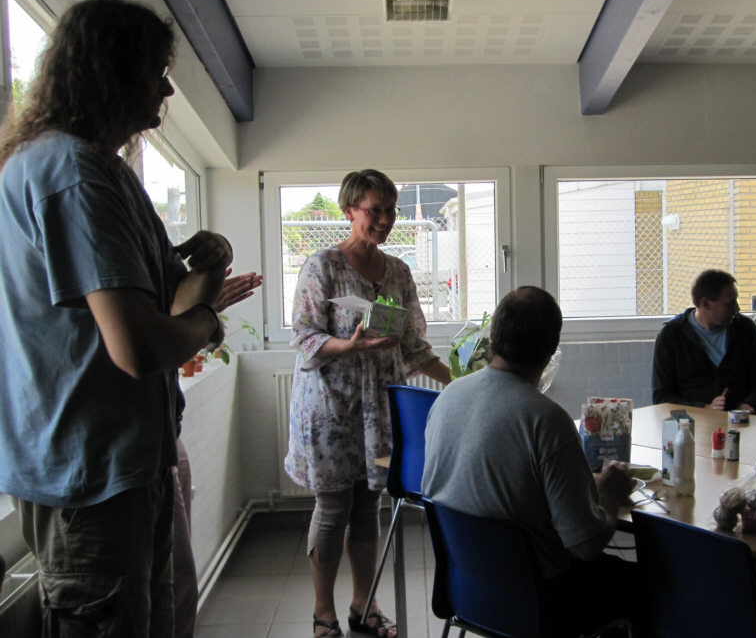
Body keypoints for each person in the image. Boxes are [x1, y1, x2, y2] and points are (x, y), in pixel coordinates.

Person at [0, 0, 233, 637]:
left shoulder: (105, 173)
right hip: (90, 478)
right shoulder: (73, 174)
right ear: (115, 73)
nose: (166, 90)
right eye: (157, 72)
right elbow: (139, 347)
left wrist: (209, 269)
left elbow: (167, 305)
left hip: (122, 468)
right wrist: (208, 321)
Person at [284, 169, 450, 638]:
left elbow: (413, 344)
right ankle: (324, 613)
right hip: (330, 411)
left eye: (390, 210)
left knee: (369, 506)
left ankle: (364, 604)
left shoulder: (398, 271)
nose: (385, 219)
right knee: (333, 508)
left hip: (380, 411)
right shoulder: (323, 266)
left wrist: (462, 382)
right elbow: (304, 336)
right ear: (349, 211)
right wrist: (350, 345)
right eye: (374, 210)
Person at [423, 286, 637, 638]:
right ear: (552, 349)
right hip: (540, 602)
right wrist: (610, 496)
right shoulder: (546, 420)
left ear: (493, 337)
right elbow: (585, 546)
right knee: (651, 582)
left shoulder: (448, 397)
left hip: (467, 589)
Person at [173, 269, 262, 638]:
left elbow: (205, 338)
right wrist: (205, 312)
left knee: (178, 584)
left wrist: (206, 312)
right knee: (168, 586)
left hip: (163, 435)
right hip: (119, 457)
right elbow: (140, 350)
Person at [652, 269, 756, 413]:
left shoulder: (745, 329)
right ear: (705, 304)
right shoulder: (671, 335)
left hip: (743, 418)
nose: (737, 308)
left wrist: (748, 406)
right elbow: (662, 397)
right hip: (692, 421)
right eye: (729, 303)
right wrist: (705, 408)